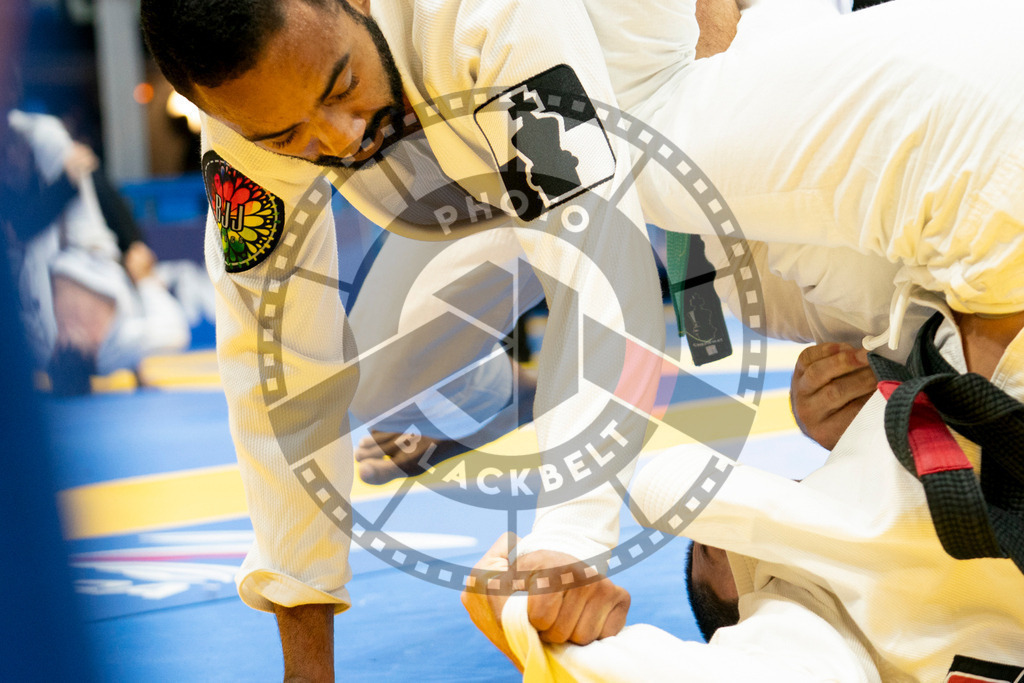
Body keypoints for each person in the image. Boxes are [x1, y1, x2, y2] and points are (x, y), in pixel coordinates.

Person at [140, 0, 741, 678]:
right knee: (386, 378)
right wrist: (307, 664)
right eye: (288, 136)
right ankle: (515, 396)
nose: (340, 138)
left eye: (341, 86)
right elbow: (273, 369)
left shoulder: (488, 13)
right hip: (491, 190)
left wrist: (569, 539)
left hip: (665, 118)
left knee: (768, 306)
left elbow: (602, 268)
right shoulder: (243, 131)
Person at [464, 305, 1024, 680]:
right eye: (712, 547)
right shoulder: (809, 618)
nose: (723, 534)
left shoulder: (865, 490)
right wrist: (534, 632)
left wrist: (870, 424)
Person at [5, 109, 191, 394]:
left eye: (63, 348)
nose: (69, 337)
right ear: (94, 358)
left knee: (20, 221)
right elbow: (173, 330)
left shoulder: (38, 345)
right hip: (90, 242)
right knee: (73, 159)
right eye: (78, 349)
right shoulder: (119, 350)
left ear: (53, 359)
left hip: (46, 243)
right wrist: (146, 279)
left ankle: (11, 122)